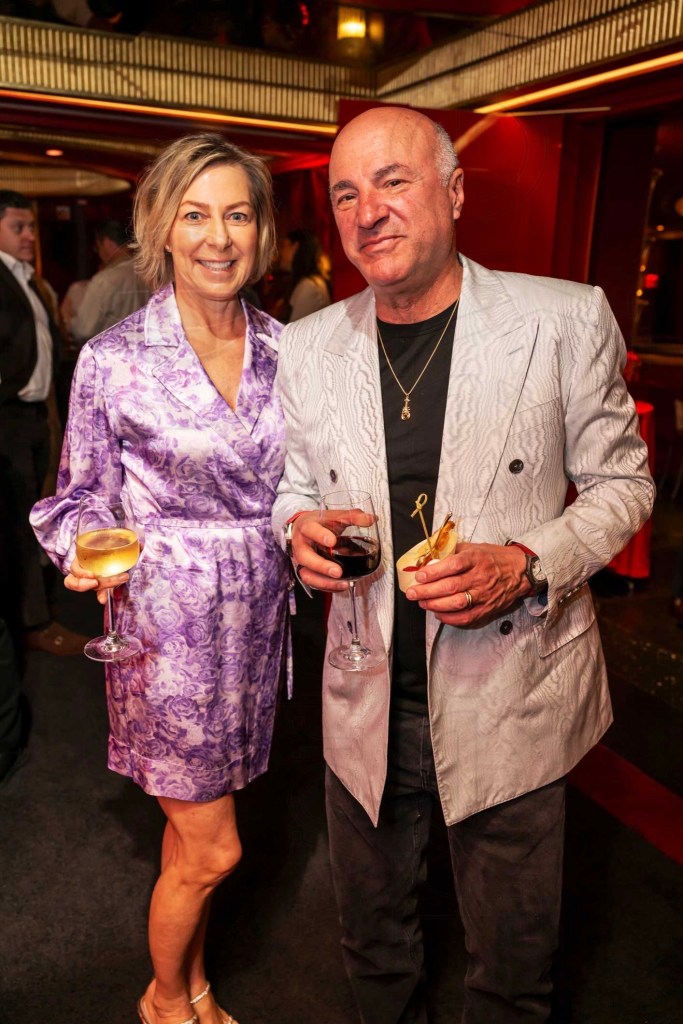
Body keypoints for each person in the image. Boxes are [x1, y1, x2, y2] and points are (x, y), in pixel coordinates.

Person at [272, 106, 655, 1024]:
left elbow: (624, 485)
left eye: (392, 182)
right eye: (345, 194)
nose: (368, 213)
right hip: (363, 696)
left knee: (511, 966)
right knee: (372, 949)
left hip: (509, 693)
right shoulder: (308, 345)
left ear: (453, 191)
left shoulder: (562, 318)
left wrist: (526, 562)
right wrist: (297, 530)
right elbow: (291, 485)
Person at [31, 132, 290, 1024]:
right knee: (213, 847)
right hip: (165, 629)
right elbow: (75, 500)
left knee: (191, 836)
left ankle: (195, 982)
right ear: (163, 231)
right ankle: (164, 1001)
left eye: (238, 214)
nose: (219, 236)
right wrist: (78, 552)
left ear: (260, 233)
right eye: (196, 215)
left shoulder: (293, 350)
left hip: (258, 623)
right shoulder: (114, 359)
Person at [0, 188, 87, 656]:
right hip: (7, 418)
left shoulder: (30, 281)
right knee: (18, 523)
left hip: (34, 416)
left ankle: (31, 618)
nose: (30, 235)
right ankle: (33, 624)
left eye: (31, 226)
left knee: (33, 516)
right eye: (19, 227)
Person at [70, 218, 150, 343]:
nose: (99, 254)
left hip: (115, 356)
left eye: (97, 247)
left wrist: (68, 320)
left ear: (106, 242)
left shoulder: (105, 280)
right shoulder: (152, 272)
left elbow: (83, 330)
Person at [278, 228, 330, 322]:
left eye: (284, 246)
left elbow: (295, 333)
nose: (280, 252)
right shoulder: (309, 283)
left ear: (295, 247)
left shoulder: (309, 286)